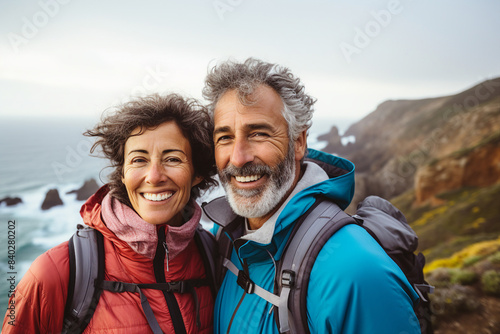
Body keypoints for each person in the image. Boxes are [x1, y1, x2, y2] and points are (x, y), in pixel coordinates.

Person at [202, 58, 421, 333]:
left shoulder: (354, 273)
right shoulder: (225, 239)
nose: (238, 157)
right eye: (225, 137)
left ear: (299, 142)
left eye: (258, 133)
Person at [2, 93, 217, 333]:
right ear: (123, 174)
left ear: (197, 173)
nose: (154, 176)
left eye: (172, 159)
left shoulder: (213, 256)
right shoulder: (53, 273)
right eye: (139, 160)